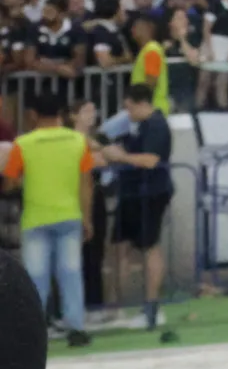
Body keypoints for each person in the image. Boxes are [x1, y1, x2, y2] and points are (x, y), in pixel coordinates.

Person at [1, 86, 95, 347]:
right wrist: (87, 218)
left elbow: (10, 183)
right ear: (61, 113)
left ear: (33, 114)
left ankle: (33, 335)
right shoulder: (77, 141)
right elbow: (86, 183)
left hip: (35, 218)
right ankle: (76, 328)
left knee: (35, 279)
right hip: (69, 215)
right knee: (71, 275)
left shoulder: (23, 144)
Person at [98, 79, 173, 330]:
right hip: (131, 192)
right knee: (118, 247)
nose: (127, 113)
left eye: (130, 107)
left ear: (142, 104)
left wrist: (122, 157)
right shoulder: (137, 126)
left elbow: (151, 160)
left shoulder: (156, 126)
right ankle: (115, 307)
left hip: (151, 192)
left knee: (150, 246)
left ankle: (151, 306)